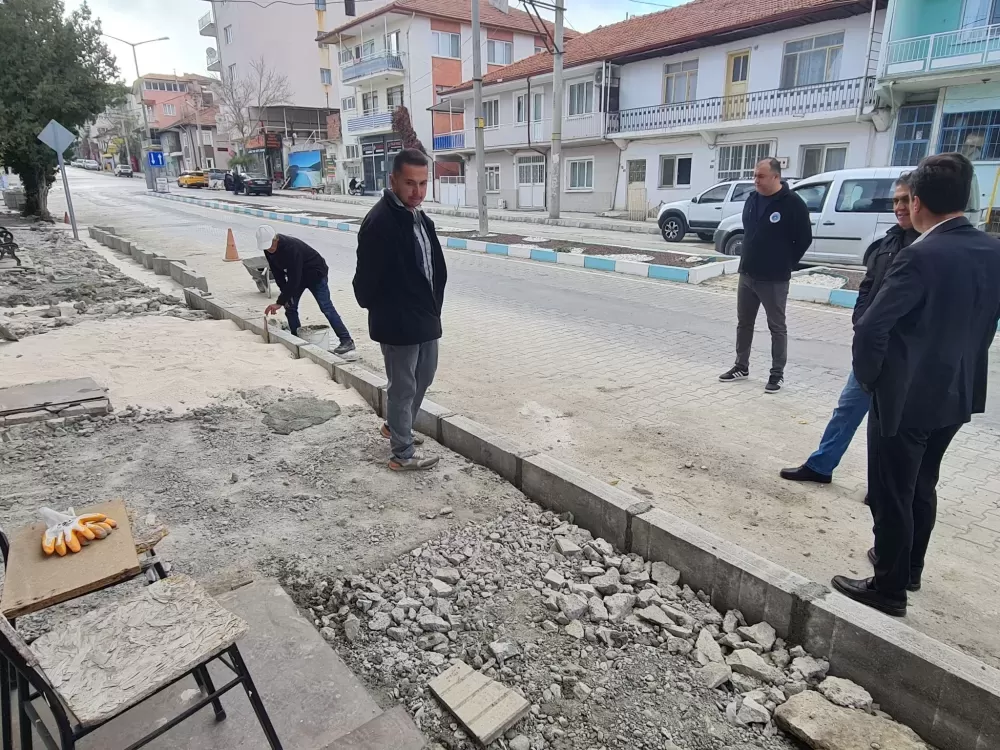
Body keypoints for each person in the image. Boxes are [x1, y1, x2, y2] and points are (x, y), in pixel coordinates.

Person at [832, 153, 1000, 617]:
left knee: (891, 491)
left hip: (905, 396)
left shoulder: (919, 255)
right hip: (957, 391)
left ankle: (887, 588)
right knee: (923, 484)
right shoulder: (992, 249)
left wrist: (870, 380)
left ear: (919, 201)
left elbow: (871, 329)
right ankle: (909, 568)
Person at [780, 176, 919, 484]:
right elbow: (868, 284)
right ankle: (820, 466)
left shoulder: (928, 248)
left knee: (892, 424)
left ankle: (882, 485)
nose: (899, 207)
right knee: (847, 410)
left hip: (905, 354)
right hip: (872, 349)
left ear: (921, 202)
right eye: (896, 200)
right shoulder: (890, 240)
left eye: (906, 200)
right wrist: (862, 319)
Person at [353, 149, 447, 472]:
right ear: (392, 180)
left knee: (426, 374)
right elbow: (364, 282)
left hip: (424, 318)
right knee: (403, 385)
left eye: (423, 184)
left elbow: (431, 267)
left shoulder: (418, 217)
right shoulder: (380, 222)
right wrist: (384, 309)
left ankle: (396, 427)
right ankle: (401, 454)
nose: (417, 192)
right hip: (399, 322)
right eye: (410, 183)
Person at [719, 158, 812, 393]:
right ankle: (741, 366)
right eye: (755, 176)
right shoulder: (752, 199)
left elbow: (804, 239)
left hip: (774, 279)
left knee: (777, 327)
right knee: (744, 323)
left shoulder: (792, 203)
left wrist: (785, 263)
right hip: (747, 274)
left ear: (775, 177)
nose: (755, 181)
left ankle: (777, 374)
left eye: (760, 176)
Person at [259, 225, 356, 356]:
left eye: (271, 246)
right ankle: (296, 339)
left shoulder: (290, 247)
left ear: (275, 239)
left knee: (326, 307)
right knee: (291, 307)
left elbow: (294, 278)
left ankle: (346, 340)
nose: (270, 249)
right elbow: (278, 274)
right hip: (299, 276)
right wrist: (285, 297)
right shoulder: (267, 250)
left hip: (315, 274)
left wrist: (279, 302)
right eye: (266, 247)